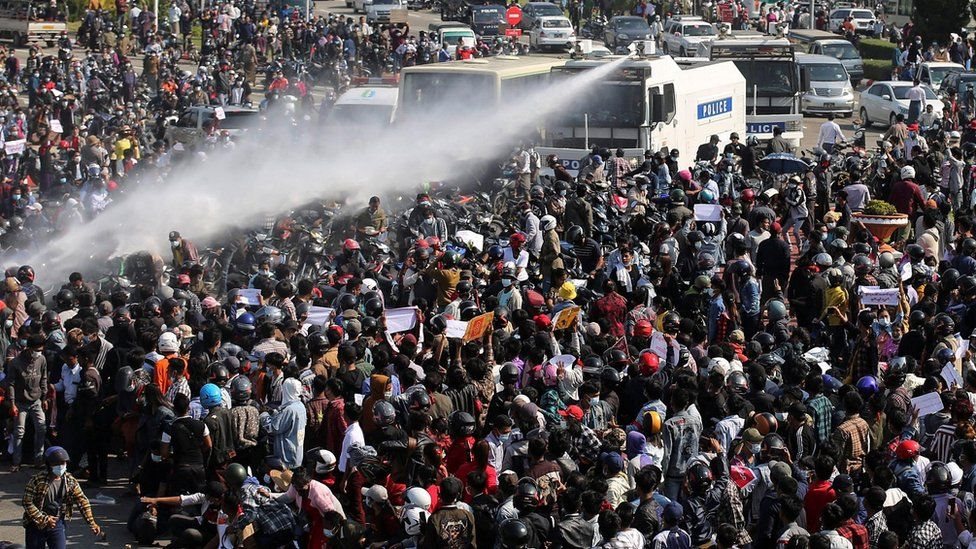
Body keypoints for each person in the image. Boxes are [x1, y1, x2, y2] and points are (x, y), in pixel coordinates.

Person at [22, 446, 102, 548]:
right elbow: (27, 502)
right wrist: (44, 519)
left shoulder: (70, 481)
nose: (60, 466)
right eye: (56, 464)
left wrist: (92, 523)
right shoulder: (37, 480)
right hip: (35, 524)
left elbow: (82, 501)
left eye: (63, 463)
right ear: (49, 465)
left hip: (57, 522)